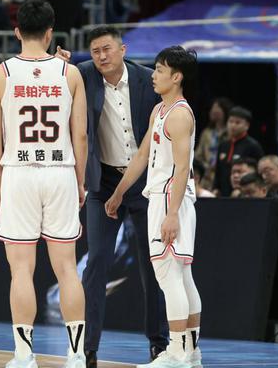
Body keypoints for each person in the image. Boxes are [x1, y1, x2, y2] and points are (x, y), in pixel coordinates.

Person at [0, 0, 88, 368]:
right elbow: (81, 137)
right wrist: (79, 181)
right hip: (60, 171)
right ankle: (76, 355)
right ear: (49, 33)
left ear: (17, 32)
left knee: (21, 270)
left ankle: (25, 355)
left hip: (19, 172)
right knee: (68, 269)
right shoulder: (69, 73)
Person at [76, 25, 168, 366]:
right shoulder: (83, 75)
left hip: (144, 181)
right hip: (103, 183)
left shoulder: (148, 79)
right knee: (96, 263)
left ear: (122, 49)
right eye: (95, 51)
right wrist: (57, 63)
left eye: (107, 49)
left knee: (152, 265)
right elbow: (56, 78)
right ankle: (88, 348)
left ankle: (159, 344)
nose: (101, 56)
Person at [105, 45, 202, 368]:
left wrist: (172, 214)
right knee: (181, 275)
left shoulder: (180, 115)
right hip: (163, 196)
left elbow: (182, 168)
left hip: (170, 197)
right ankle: (190, 354)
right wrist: (119, 193)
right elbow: (142, 156)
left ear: (176, 77)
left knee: (170, 276)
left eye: (160, 70)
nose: (154, 75)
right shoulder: (160, 110)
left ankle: (176, 353)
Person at [212, 106, 263, 196]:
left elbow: (258, 173)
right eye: (230, 121)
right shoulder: (223, 145)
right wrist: (215, 188)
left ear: (247, 125)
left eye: (237, 122)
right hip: (223, 194)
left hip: (243, 194)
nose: (233, 125)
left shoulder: (253, 146)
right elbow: (218, 171)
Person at [195, 97, 232, 189]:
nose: (213, 110)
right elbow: (198, 155)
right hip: (207, 175)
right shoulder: (206, 133)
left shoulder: (230, 133)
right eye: (213, 108)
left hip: (224, 174)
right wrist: (205, 166)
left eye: (217, 108)